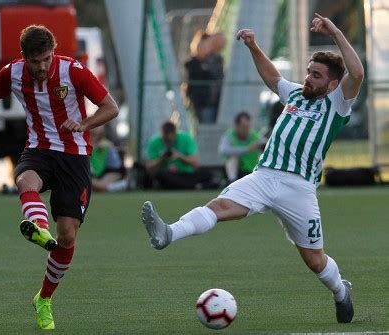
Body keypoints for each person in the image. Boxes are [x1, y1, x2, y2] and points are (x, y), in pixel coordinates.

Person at [141, 13, 363, 324]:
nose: (308, 78)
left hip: (299, 189)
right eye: (309, 71)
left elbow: (357, 71)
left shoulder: (337, 103)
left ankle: (340, 291)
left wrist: (334, 31)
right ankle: (168, 234)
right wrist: (253, 46)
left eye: (316, 75)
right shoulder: (296, 95)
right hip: (264, 175)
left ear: (332, 83)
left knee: (314, 260)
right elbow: (273, 77)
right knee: (217, 206)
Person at [0, 25, 119, 330]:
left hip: (75, 155)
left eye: (46, 59)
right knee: (25, 180)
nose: (41, 67)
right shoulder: (11, 73)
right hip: (38, 147)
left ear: (54, 52)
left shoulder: (73, 71)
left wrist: (85, 124)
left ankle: (44, 298)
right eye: (35, 61)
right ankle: (38, 228)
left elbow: (110, 107)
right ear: (24, 56)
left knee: (66, 236)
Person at [145, 121, 211, 189]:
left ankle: (185, 185)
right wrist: (162, 158)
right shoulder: (155, 141)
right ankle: (193, 186)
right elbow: (149, 167)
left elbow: (196, 164)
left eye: (170, 140)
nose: (168, 142)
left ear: (175, 133)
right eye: (166, 140)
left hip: (185, 174)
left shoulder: (186, 138)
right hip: (168, 174)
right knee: (160, 175)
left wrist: (180, 156)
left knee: (207, 174)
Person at [218, 112, 263, 182]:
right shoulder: (230, 135)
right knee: (233, 159)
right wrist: (247, 149)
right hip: (237, 170)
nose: (246, 130)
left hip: (252, 170)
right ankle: (231, 182)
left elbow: (266, 145)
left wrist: (261, 145)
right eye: (243, 127)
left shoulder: (255, 135)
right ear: (236, 126)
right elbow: (224, 150)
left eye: (248, 126)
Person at [90, 125, 128, 192]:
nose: (95, 128)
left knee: (101, 185)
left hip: (111, 171)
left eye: (98, 126)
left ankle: (121, 185)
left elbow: (116, 165)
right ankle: (119, 186)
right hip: (93, 173)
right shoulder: (83, 144)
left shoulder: (107, 144)